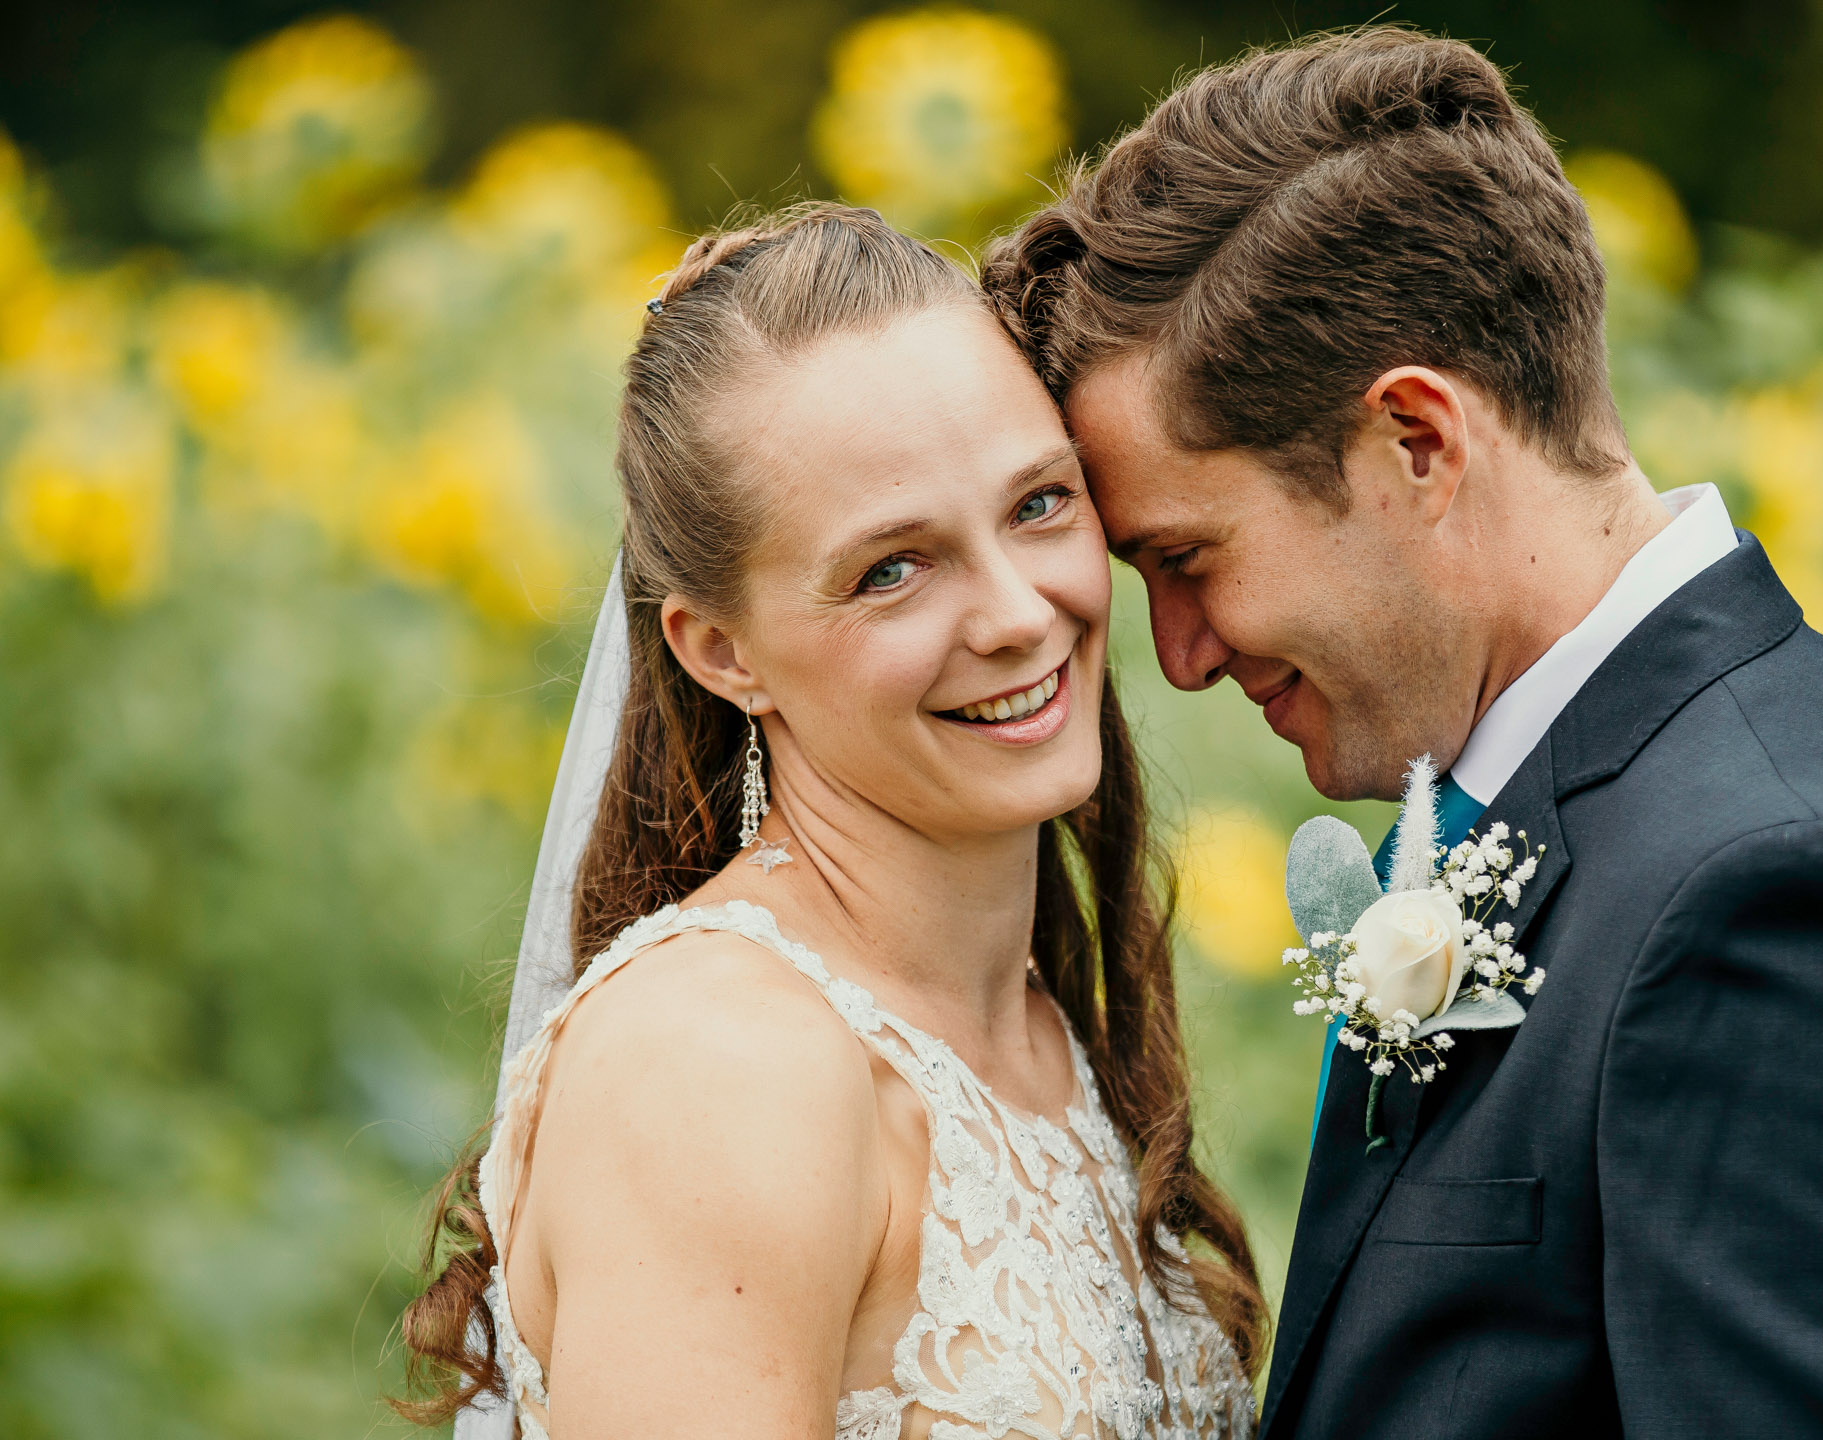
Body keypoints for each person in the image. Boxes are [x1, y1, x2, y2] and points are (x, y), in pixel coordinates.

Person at [985, 26, 1823, 1440]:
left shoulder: (1785, 906)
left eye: (1187, 560)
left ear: (1418, 445)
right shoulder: (1613, 810)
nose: (1181, 659)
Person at [396, 205, 1262, 1439]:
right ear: (722, 650)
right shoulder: (718, 1063)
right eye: (892, 569)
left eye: (1038, 506)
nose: (1021, 612)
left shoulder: (1036, 1024)